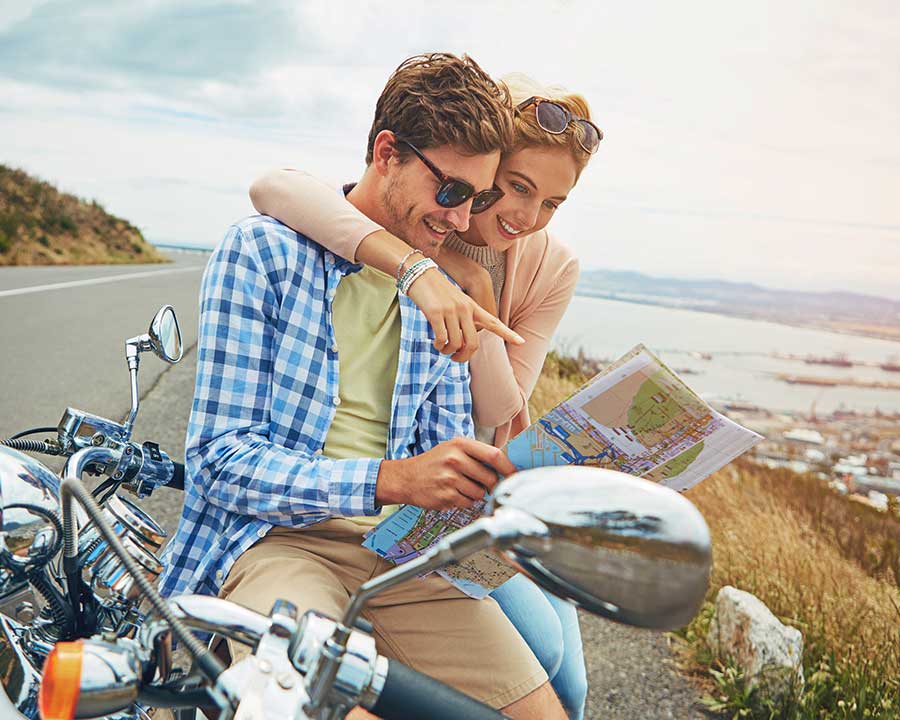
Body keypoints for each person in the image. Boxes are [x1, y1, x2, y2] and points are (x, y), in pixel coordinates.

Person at [158, 53, 568, 720]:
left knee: (545, 710)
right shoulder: (263, 254)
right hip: (273, 543)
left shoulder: (444, 295)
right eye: (452, 192)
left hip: (397, 557)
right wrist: (394, 480)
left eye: (477, 199)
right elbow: (219, 461)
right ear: (388, 154)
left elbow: (440, 456)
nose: (462, 222)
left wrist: (485, 492)